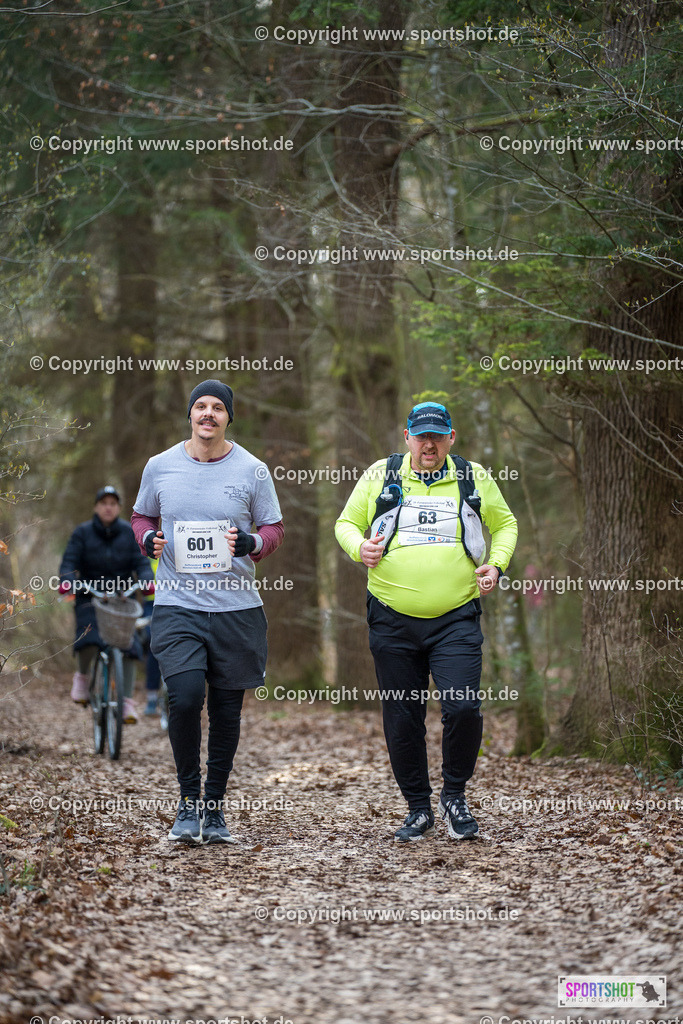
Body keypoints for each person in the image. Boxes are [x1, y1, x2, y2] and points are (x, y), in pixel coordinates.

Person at [335, 402, 518, 842]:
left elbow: (506, 523)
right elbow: (345, 523)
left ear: (451, 437)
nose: (429, 444)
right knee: (402, 716)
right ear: (407, 437)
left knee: (462, 706)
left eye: (437, 436)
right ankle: (417, 807)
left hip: (456, 617)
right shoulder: (383, 474)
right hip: (391, 618)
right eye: (421, 436)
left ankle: (454, 795)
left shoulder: (472, 478)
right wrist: (360, 548)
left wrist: (496, 565)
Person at [131, 379, 284, 845]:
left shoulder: (253, 470)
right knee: (184, 694)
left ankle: (213, 808)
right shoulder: (160, 467)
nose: (209, 414)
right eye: (201, 406)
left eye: (218, 407)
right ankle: (186, 802)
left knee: (226, 711)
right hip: (178, 605)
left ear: (228, 418)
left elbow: (273, 529)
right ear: (190, 415)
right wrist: (146, 540)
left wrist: (253, 543)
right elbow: (141, 517)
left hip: (237, 609)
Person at [59, 485, 155, 724]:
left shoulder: (129, 532)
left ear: (119, 508)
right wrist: (68, 581)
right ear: (96, 506)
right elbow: (69, 561)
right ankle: (82, 678)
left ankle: (126, 703)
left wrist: (146, 581)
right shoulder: (82, 533)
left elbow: (141, 563)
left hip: (123, 598)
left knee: (130, 647)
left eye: (113, 503)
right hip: (89, 597)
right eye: (104, 503)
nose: (108, 507)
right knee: (89, 638)